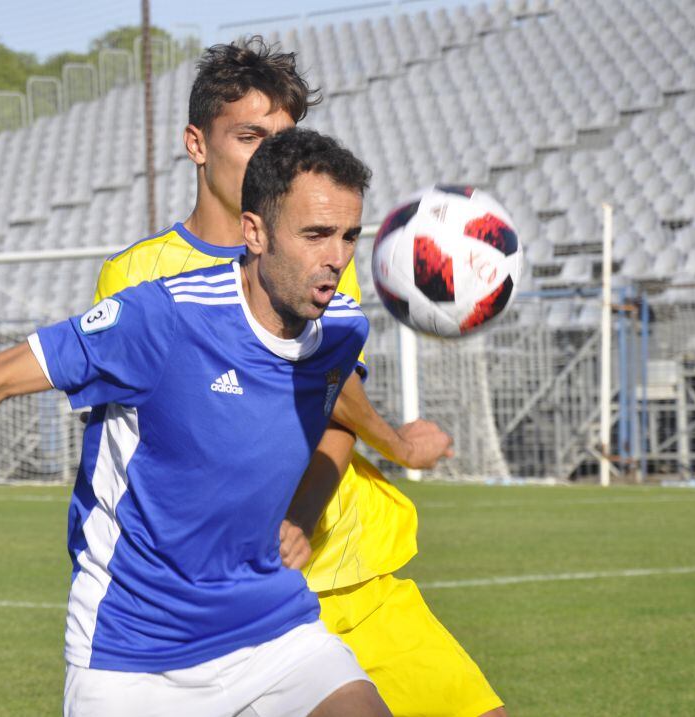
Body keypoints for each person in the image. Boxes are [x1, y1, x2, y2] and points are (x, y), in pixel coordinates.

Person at [0, 128, 391, 717]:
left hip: (274, 630)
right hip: (134, 652)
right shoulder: (163, 317)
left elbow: (335, 414)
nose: (337, 258)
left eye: (349, 235)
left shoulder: (342, 330)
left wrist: (303, 513)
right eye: (316, 234)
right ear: (254, 232)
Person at [93, 38, 506, 717]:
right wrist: (396, 443)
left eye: (282, 138)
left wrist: (303, 511)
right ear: (196, 143)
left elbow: (336, 407)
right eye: (248, 135)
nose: (268, 155)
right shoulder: (136, 276)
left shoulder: (320, 251)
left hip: (351, 569)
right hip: (232, 607)